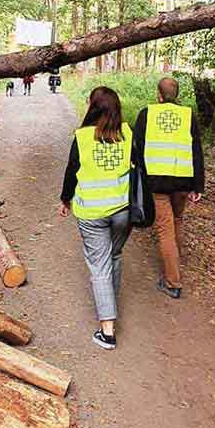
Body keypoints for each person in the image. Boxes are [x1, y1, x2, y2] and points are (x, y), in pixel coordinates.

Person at [59, 86, 133, 350]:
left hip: (92, 213)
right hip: (123, 212)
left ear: (92, 106)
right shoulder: (127, 133)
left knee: (99, 266)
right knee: (113, 256)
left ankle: (108, 331)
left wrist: (65, 200)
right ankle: (110, 303)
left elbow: (71, 172)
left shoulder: (82, 137)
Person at [134, 76, 204, 299]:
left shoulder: (147, 114)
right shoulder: (188, 115)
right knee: (176, 221)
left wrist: (138, 179)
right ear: (178, 94)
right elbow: (196, 151)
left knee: (165, 229)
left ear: (159, 94)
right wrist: (198, 185)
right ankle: (176, 260)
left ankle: (173, 282)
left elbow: (137, 149)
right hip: (183, 182)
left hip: (157, 183)